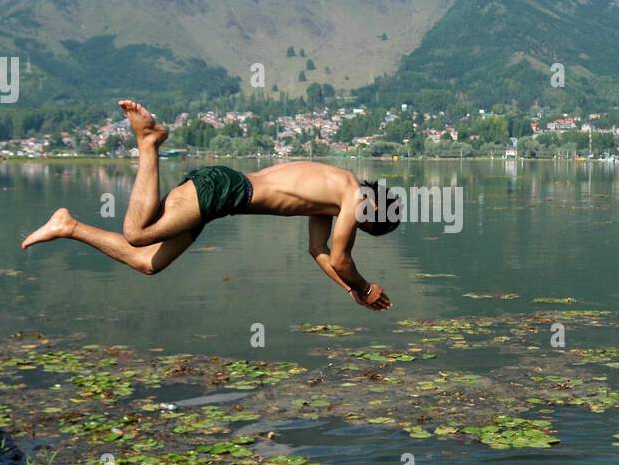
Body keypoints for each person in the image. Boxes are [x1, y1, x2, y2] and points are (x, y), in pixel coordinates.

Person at [21, 100, 397, 310]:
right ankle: (149, 141)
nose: (358, 226)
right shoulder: (351, 193)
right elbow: (343, 258)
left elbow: (320, 251)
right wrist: (364, 289)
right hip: (224, 188)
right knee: (136, 233)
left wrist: (350, 291)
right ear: (374, 209)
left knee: (147, 263)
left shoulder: (331, 198)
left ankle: (68, 225)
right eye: (368, 226)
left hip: (220, 199)